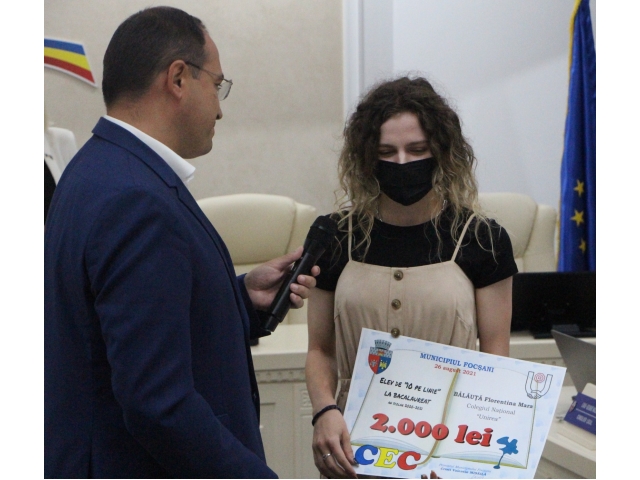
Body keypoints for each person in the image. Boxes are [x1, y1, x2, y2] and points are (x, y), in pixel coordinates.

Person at [44, 7, 318, 478]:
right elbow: (158, 402)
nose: (220, 108)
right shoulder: (136, 198)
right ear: (177, 79)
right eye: (217, 85)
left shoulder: (94, 167)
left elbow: (118, 326)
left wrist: (239, 297)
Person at [305, 76, 518, 479]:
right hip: (352, 447)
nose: (402, 163)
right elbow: (320, 349)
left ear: (442, 151)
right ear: (367, 157)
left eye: (418, 150)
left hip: (446, 448)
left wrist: (463, 454)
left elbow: (494, 358)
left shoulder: (482, 239)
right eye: (386, 152)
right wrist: (324, 411)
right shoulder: (335, 235)